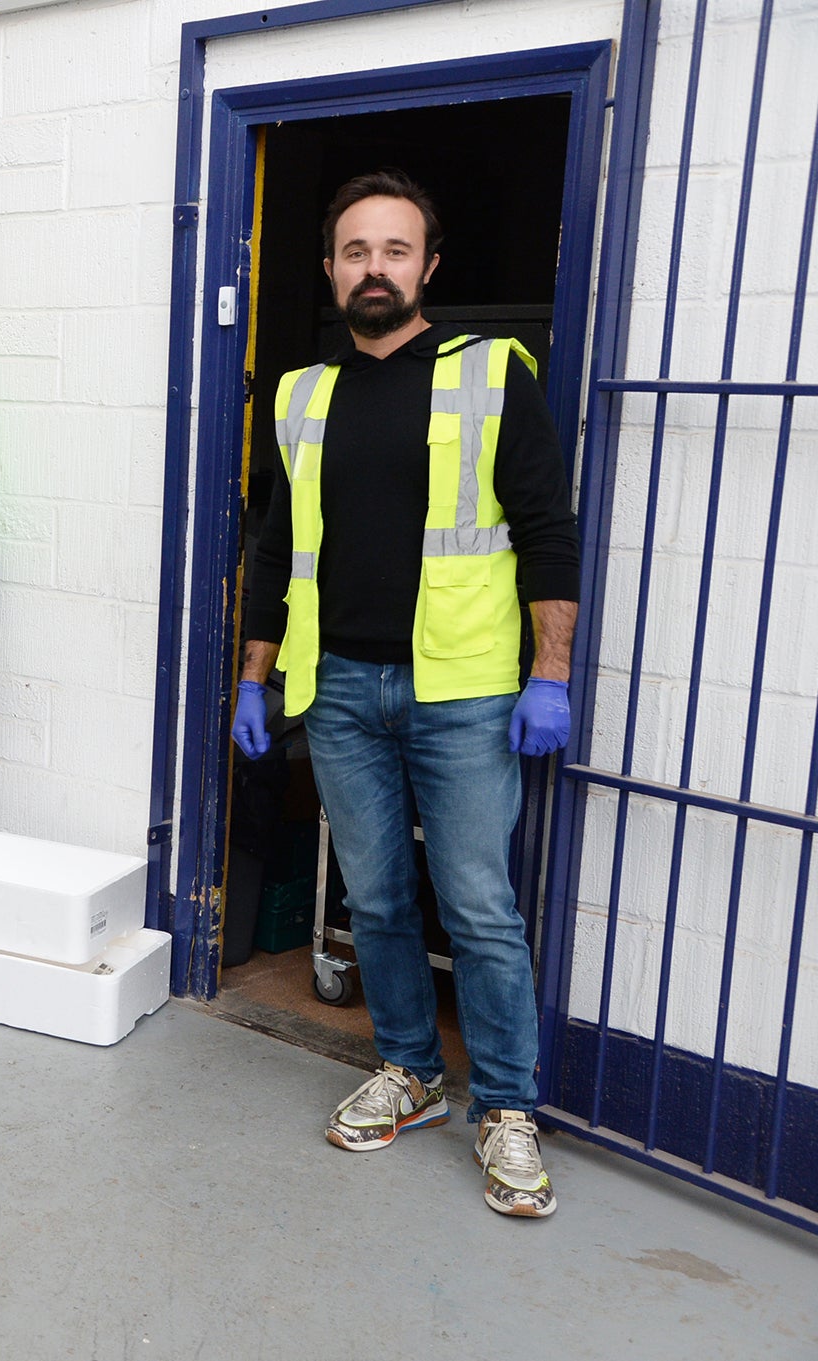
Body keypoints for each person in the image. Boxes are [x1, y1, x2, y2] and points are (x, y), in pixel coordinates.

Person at [233, 170, 580, 1219]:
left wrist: (549, 672)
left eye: (392, 249)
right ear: (330, 268)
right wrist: (253, 677)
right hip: (335, 683)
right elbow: (272, 542)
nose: (370, 268)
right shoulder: (300, 392)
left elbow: (543, 528)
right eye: (352, 250)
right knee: (375, 897)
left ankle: (508, 1107)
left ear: (426, 266)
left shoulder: (489, 375)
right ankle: (408, 1072)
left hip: (465, 689)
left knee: (477, 904)